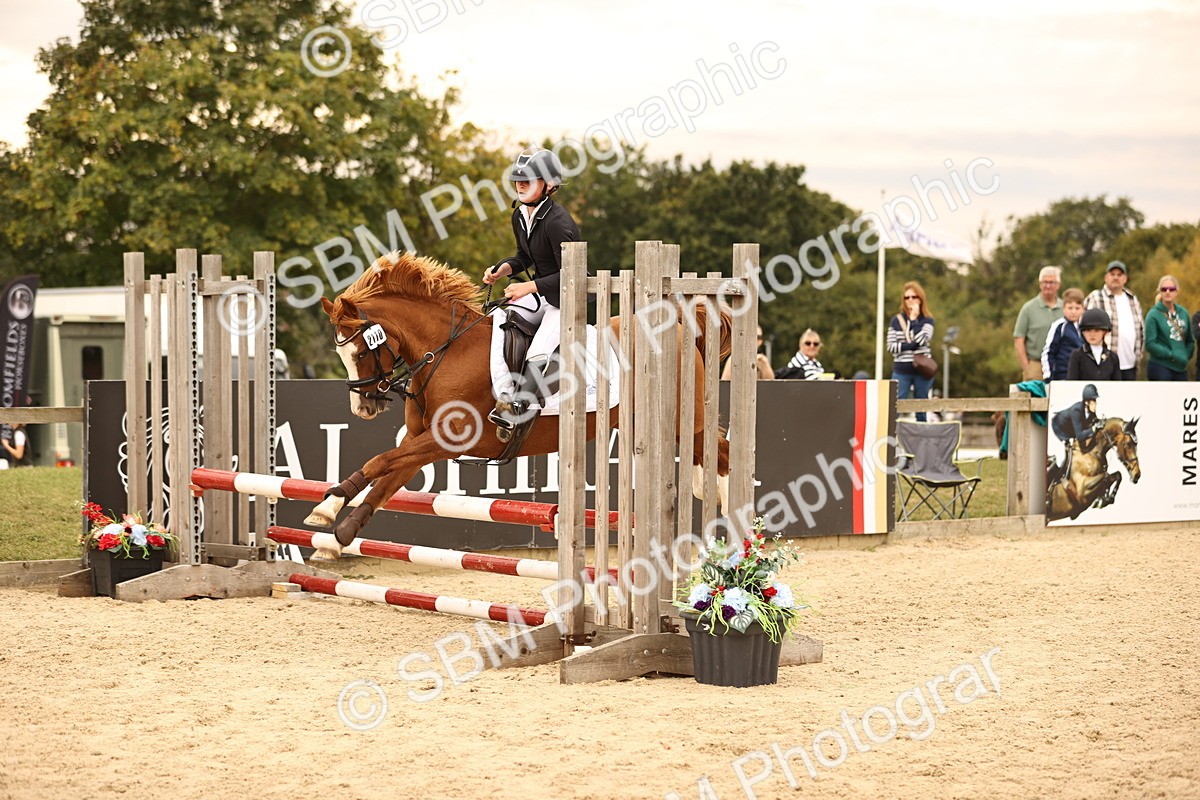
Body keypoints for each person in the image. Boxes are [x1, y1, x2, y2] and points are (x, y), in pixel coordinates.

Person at [481, 147, 580, 435]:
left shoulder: (559, 222)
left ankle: (521, 408)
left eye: (529, 180)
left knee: (538, 350)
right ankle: (505, 398)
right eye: (517, 180)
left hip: (567, 300)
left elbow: (571, 274)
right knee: (500, 318)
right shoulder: (520, 215)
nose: (521, 185)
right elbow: (524, 257)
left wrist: (528, 286)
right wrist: (503, 269)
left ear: (549, 184)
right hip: (542, 296)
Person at [1084, 260, 1143, 381]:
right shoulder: (1095, 297)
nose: (1116, 277)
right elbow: (1084, 328)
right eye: (1112, 274)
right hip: (1104, 364)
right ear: (1106, 277)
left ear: (1125, 278)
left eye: (1119, 275)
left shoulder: (1132, 299)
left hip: (1130, 364)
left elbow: (1140, 330)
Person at [887, 281, 935, 421]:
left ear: (920, 299)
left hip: (922, 370)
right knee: (896, 406)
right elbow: (891, 347)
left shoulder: (928, 320)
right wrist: (912, 345)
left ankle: (922, 439)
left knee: (921, 408)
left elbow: (923, 339)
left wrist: (914, 320)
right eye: (907, 297)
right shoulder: (896, 321)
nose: (910, 300)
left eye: (914, 297)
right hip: (902, 370)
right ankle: (889, 439)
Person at [1013, 266, 1063, 381]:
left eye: (1052, 282)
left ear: (1058, 285)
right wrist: (1027, 367)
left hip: (1060, 364)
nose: (1048, 286)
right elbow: (1019, 340)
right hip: (1035, 365)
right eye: (1045, 282)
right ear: (1040, 284)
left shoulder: (1065, 308)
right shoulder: (1028, 308)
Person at [1049, 383, 1102, 487]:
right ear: (1086, 402)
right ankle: (1053, 483)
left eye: (1095, 401)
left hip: (1069, 432)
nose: (1095, 404)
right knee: (1061, 458)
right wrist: (1093, 428)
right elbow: (1080, 436)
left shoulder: (1090, 412)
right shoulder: (1076, 411)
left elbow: (1094, 423)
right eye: (1093, 401)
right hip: (1058, 429)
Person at [1144, 275, 1194, 381]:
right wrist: (1171, 355)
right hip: (1160, 366)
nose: (1168, 292)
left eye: (1171, 289)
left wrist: (1184, 355)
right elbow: (1150, 344)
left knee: (1180, 397)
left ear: (1177, 291)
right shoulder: (1153, 314)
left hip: (1181, 368)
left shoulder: (1183, 313)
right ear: (1160, 292)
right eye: (1164, 289)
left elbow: (1190, 340)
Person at [1041, 287, 1086, 382]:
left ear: (1083, 309)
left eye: (1077, 308)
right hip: (1062, 375)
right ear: (1064, 308)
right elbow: (1048, 352)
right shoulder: (1059, 326)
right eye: (1070, 308)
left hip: (1082, 376)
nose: (1073, 311)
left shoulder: (1086, 327)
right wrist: (1048, 376)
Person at [1067, 308, 1122, 381]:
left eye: (1097, 330)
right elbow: (1072, 382)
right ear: (1082, 332)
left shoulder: (1113, 358)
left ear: (1105, 332)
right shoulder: (1077, 355)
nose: (1092, 334)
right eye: (1088, 330)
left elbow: (1117, 385)